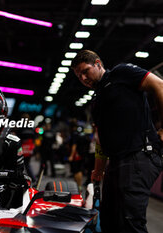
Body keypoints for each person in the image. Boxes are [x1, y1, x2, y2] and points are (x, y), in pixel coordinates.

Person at [71, 49, 163, 233]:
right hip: (117, 161)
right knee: (109, 221)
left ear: (98, 64)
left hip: (139, 155)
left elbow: (159, 85)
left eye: (85, 71)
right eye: (79, 75)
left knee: (129, 222)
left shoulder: (121, 73)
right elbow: (101, 138)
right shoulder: (97, 101)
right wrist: (98, 170)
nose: (83, 78)